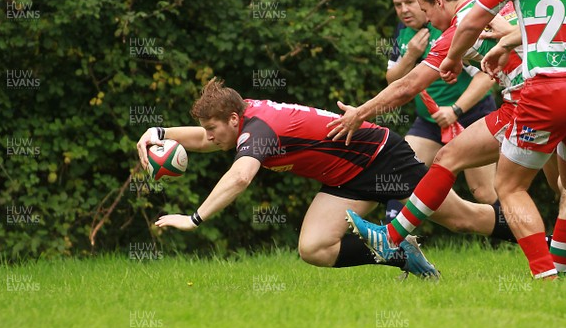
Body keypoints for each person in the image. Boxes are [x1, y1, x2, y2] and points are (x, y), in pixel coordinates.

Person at [349, 0, 566, 280]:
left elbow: (407, 86)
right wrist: (505, 43)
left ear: (439, 3)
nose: (425, 19)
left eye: (424, 9)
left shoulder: (464, 22)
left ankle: (548, 274)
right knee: (563, 187)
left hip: (531, 100)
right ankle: (564, 266)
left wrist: (359, 114)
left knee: (505, 185)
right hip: (559, 92)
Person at [136, 79, 512, 278]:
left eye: (214, 128)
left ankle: (556, 248)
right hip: (346, 177)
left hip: (381, 159)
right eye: (208, 128)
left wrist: (195, 218)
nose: (210, 135)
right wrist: (160, 132)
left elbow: (239, 177)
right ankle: (399, 253)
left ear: (234, 119)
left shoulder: (259, 130)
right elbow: (205, 139)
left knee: (464, 218)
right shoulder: (241, 114)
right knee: (314, 248)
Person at [387, 0, 498, 207]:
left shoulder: (448, 25)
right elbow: (392, 79)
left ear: (423, 0)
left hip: (471, 115)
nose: (404, 10)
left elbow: (487, 76)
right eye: (398, 5)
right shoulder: (403, 31)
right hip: (429, 122)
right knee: (400, 174)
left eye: (410, 2)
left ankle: (513, 236)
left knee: (483, 191)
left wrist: (455, 110)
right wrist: (410, 56)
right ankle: (392, 241)